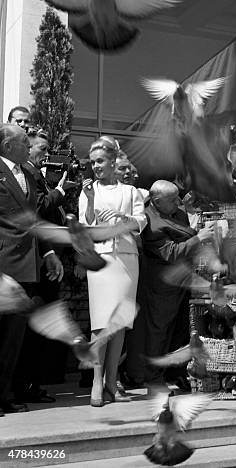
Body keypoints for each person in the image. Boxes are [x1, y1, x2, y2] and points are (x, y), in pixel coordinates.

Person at [0, 124, 63, 417]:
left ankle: (5, 394)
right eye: (24, 142)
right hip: (4, 265)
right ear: (7, 145)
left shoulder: (27, 175)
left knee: (13, 339)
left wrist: (48, 253)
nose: (29, 147)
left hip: (26, 267)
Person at [79, 138, 146, 406]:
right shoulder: (87, 192)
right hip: (101, 260)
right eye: (92, 162)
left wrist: (123, 219)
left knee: (119, 324)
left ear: (112, 161)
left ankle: (111, 382)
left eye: (100, 161)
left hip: (127, 259)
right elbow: (87, 225)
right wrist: (93, 200)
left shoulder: (130, 191)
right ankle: (96, 381)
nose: (95, 166)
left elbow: (141, 221)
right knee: (100, 324)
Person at [137, 181, 214, 387]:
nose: (179, 202)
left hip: (183, 282)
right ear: (156, 201)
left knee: (182, 329)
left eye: (178, 197)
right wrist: (199, 239)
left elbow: (186, 237)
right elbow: (170, 252)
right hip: (161, 285)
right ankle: (153, 377)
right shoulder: (149, 221)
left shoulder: (178, 213)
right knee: (158, 331)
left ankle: (177, 373)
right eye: (173, 200)